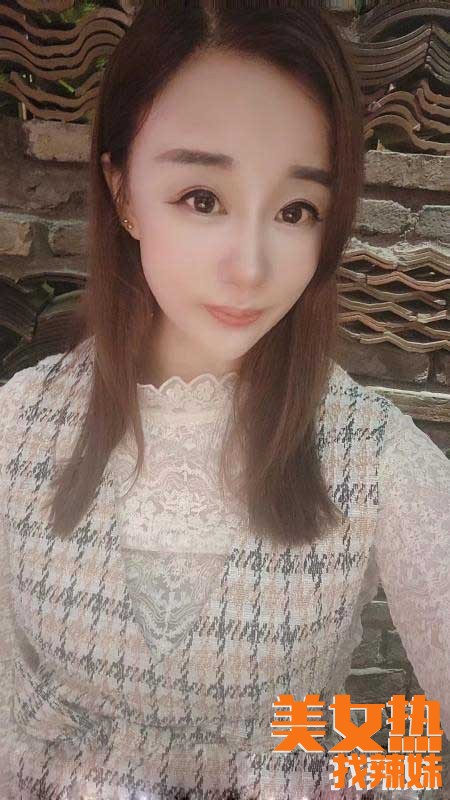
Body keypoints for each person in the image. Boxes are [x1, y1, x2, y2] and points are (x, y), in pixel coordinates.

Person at [0, 2, 449, 799]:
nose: (251, 267)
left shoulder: (374, 458)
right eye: (203, 197)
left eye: (296, 211)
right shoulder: (20, 426)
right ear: (123, 190)